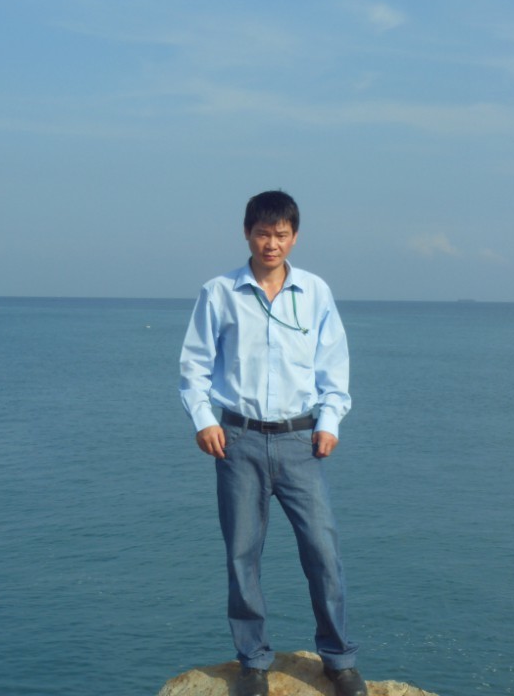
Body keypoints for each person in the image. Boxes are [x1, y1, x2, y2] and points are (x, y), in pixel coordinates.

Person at [179, 190, 367, 696]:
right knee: (242, 555)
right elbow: (194, 367)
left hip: (300, 441)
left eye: (281, 234)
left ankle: (339, 660)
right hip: (237, 440)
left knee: (323, 552)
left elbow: (334, 367)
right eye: (263, 233)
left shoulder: (315, 291)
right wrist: (203, 420)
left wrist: (330, 422)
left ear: (295, 237)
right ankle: (253, 661)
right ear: (247, 233)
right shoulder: (218, 292)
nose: (271, 243)